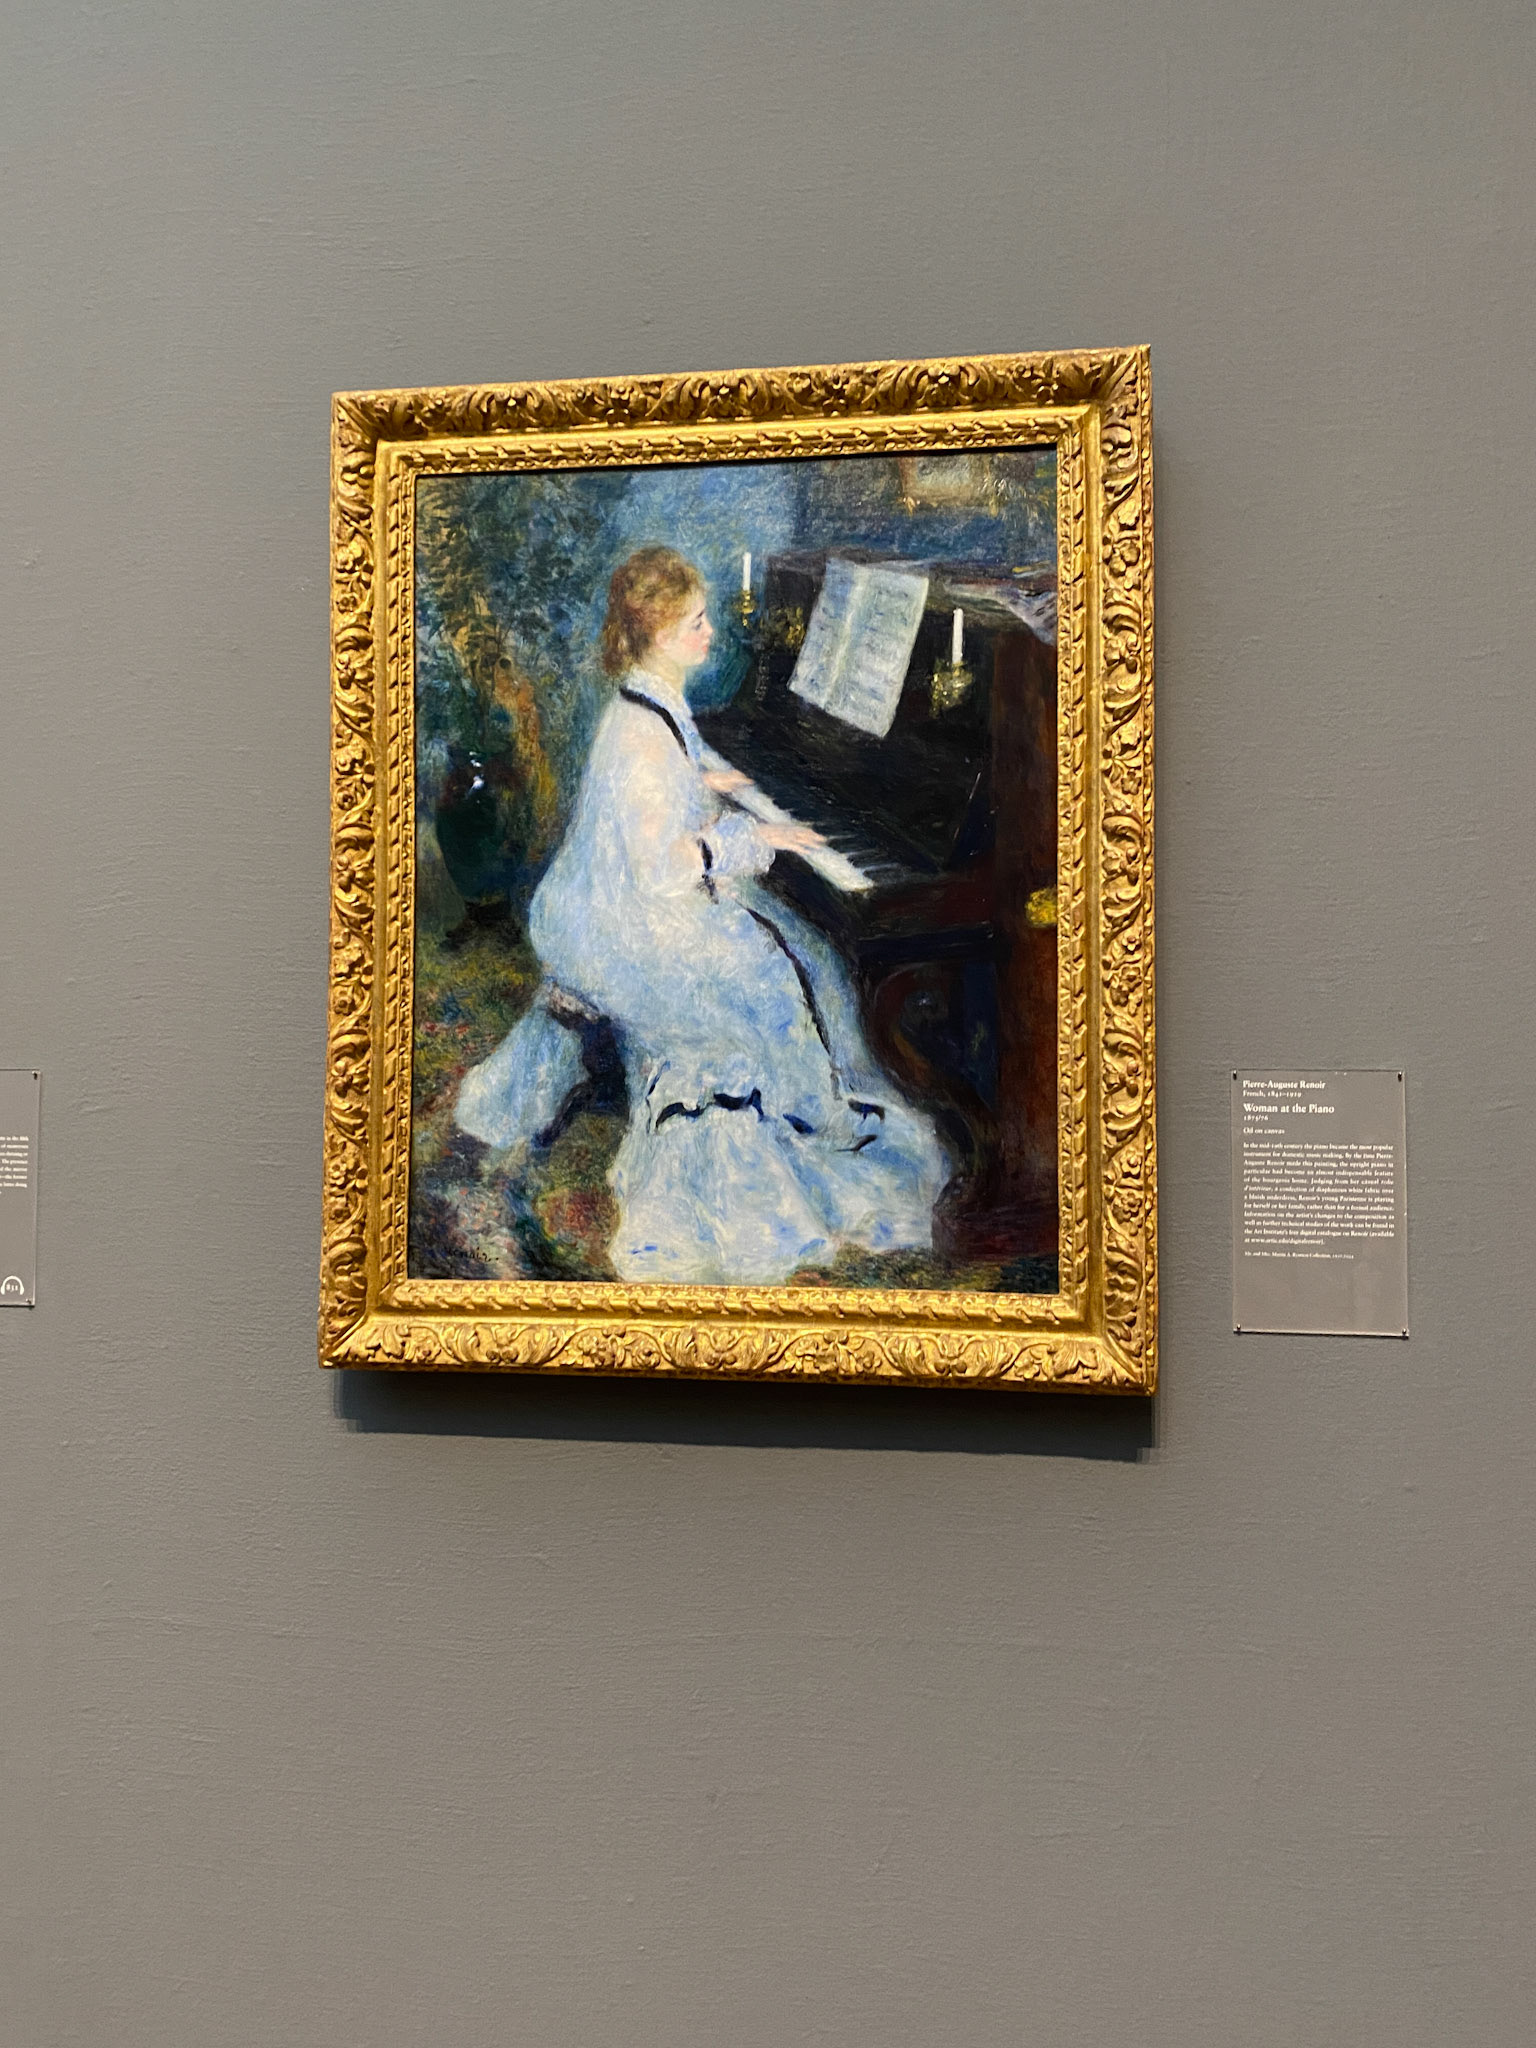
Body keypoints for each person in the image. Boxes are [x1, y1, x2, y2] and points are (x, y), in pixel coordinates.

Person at [456, 546, 948, 1283]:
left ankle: (812, 1102)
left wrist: (716, 781)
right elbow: (661, 864)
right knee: (781, 977)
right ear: (656, 635)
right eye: (696, 622)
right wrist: (754, 835)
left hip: (606, 905)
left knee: (797, 956)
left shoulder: (646, 700)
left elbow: (670, 769)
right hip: (629, 924)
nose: (711, 633)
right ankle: (771, 1159)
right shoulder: (639, 735)